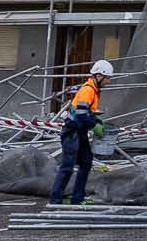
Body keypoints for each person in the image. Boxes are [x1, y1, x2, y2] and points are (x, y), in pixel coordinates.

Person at [48, 59, 112, 205]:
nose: (108, 81)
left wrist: (96, 121)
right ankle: (55, 200)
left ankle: (77, 198)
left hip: (80, 131)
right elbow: (82, 112)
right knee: (67, 167)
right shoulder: (88, 90)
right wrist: (94, 125)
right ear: (98, 76)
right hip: (72, 132)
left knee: (86, 162)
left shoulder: (94, 90)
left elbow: (87, 112)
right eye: (107, 78)